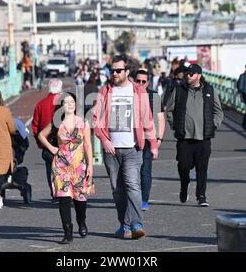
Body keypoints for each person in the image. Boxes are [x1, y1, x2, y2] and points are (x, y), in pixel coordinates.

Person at [93, 54, 158, 240]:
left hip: (132, 148)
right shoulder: (105, 91)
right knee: (117, 189)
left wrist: (153, 143)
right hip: (111, 150)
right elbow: (96, 120)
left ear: (127, 72)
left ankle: (137, 223)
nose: (114, 73)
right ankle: (124, 225)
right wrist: (104, 140)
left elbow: (147, 119)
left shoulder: (138, 91)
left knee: (133, 185)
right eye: (112, 70)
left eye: (118, 70)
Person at [38, 92, 94, 244]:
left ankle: (81, 221)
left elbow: (88, 144)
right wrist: (52, 148)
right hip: (61, 166)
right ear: (61, 106)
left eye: (72, 102)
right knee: (64, 199)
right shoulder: (56, 122)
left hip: (79, 166)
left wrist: (90, 166)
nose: (69, 104)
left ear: (76, 105)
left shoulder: (83, 122)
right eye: (66, 102)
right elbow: (41, 135)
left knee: (80, 199)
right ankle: (67, 232)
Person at [166, 64, 223, 207]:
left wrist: (214, 124)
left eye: (191, 74)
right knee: (183, 166)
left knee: (202, 168)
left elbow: (218, 112)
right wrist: (175, 125)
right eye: (187, 74)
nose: (188, 76)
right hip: (184, 138)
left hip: (203, 138)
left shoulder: (209, 90)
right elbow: (169, 110)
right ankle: (184, 186)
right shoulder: (179, 90)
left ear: (198, 75)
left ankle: (201, 196)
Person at [135, 69, 165, 211]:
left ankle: (144, 200)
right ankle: (133, 198)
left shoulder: (154, 96)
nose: (140, 84)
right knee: (130, 171)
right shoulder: (128, 95)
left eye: (143, 81)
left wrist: (159, 138)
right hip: (131, 139)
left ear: (148, 82)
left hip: (148, 138)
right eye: (138, 81)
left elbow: (160, 119)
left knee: (145, 170)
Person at [32, 79, 63, 204]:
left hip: (47, 142)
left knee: (50, 169)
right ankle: (64, 193)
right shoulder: (65, 103)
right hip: (63, 141)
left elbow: (35, 126)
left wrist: (40, 143)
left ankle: (54, 194)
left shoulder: (40, 104)